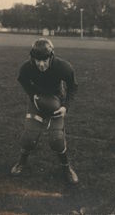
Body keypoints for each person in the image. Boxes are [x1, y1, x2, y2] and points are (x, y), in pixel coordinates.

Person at [11, 38, 78, 184]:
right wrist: (32, 95)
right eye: (37, 60)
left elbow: (73, 87)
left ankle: (66, 167)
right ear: (32, 58)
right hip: (37, 99)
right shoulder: (26, 67)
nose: (41, 64)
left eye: (45, 60)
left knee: (57, 139)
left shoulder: (63, 67)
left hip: (55, 101)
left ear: (51, 56)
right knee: (29, 136)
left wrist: (65, 107)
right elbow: (22, 80)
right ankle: (22, 162)